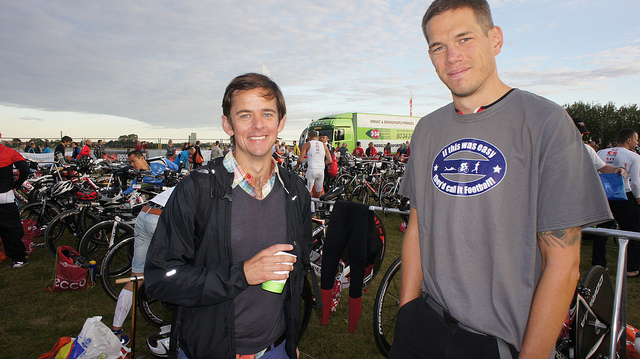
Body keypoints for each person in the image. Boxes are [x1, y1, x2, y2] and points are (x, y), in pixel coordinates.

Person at [388, 1, 612, 358]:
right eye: (438, 46)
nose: (452, 56)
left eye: (464, 39)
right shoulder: (427, 129)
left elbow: (563, 264)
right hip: (423, 325)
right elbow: (417, 228)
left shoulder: (546, 124)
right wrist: (407, 312)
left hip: (496, 342)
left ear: (496, 39)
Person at [145, 73, 311, 359]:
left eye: (267, 114)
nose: (258, 125)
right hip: (209, 350)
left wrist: (290, 337)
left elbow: (297, 273)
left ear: (281, 122)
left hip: (277, 349)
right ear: (227, 124)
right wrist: (242, 274)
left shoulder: (295, 191)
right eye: (245, 115)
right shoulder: (196, 190)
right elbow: (162, 277)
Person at [111, 150, 176, 345]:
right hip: (160, 218)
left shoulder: (179, 180)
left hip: (145, 213)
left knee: (136, 277)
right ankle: (179, 320)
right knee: (181, 267)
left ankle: (116, 330)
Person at [596, 128, 640, 277]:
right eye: (636, 139)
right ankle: (631, 268)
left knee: (601, 230)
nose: (637, 142)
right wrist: (638, 197)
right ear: (629, 140)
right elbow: (635, 182)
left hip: (603, 195)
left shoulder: (601, 152)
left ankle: (598, 263)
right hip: (624, 195)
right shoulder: (633, 156)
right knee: (633, 231)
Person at [0, 131, 30, 267]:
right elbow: (24, 169)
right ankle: (18, 258)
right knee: (11, 228)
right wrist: (16, 185)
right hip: (4, 195)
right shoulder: (9, 152)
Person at [297, 130, 332, 200]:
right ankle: (318, 208)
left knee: (308, 191)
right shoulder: (324, 145)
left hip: (312, 170)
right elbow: (330, 160)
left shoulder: (307, 144)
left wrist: (297, 166)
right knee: (319, 191)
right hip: (321, 170)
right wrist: (322, 163)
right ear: (318, 137)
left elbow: (300, 159)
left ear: (309, 137)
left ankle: (311, 209)